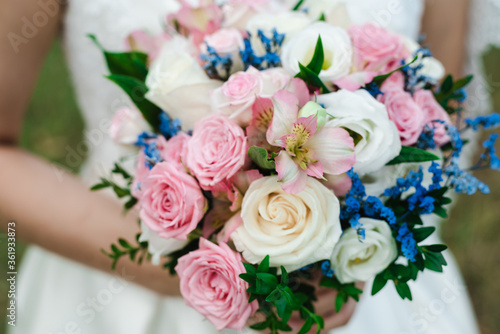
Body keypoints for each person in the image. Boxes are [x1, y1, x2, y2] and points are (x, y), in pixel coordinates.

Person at [0, 0, 477, 333]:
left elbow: (439, 120)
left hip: (357, 285)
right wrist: (176, 267)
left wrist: (345, 254)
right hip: (121, 282)